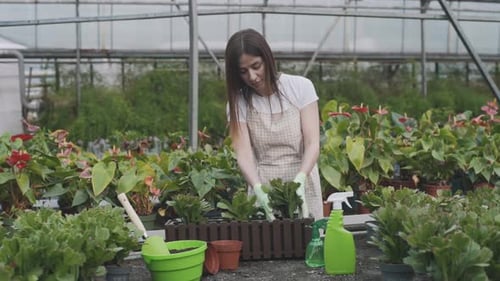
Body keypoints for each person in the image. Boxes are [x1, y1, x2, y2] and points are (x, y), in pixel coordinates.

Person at [224, 28, 323, 221]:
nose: (252, 76)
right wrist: (258, 188)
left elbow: (313, 143)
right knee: (269, 244)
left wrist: (301, 179)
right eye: (243, 71)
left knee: (308, 241)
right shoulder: (238, 103)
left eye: (256, 66)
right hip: (264, 181)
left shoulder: (300, 87)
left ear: (267, 58)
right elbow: (243, 154)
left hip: (303, 178)